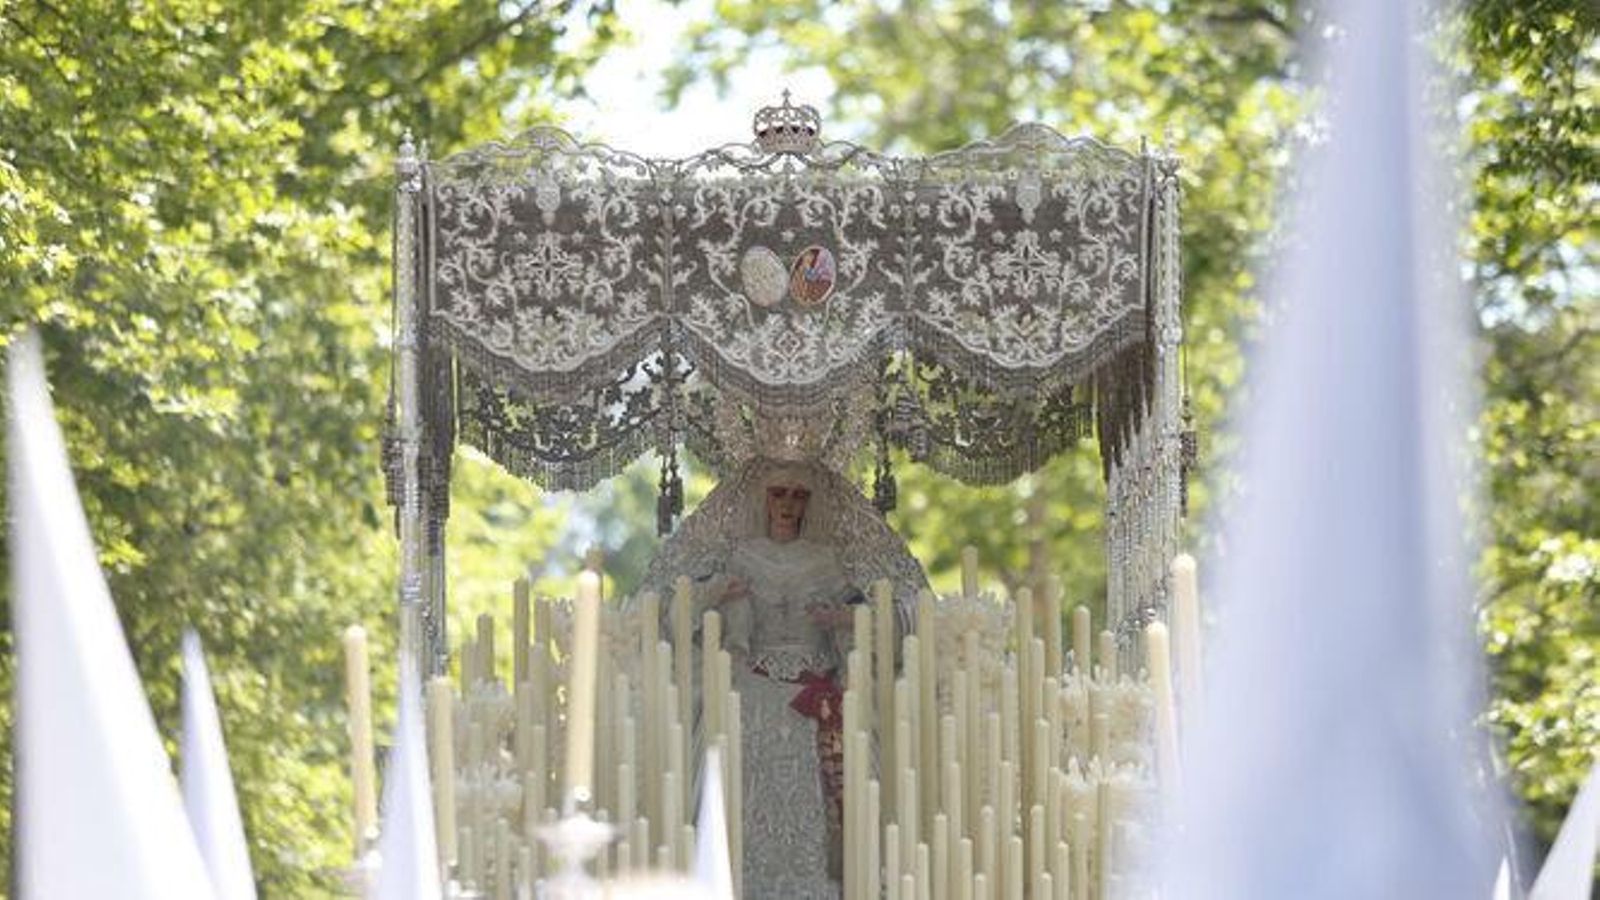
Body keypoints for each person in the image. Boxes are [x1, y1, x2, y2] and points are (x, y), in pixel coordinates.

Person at [703, 465, 857, 898]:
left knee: (823, 781)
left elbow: (852, 625)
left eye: (798, 495)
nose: (788, 504)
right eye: (778, 493)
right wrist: (722, 599)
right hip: (756, 684)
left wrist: (839, 620)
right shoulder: (743, 556)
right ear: (763, 499)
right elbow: (732, 631)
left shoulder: (826, 560)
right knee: (749, 774)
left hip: (816, 687)